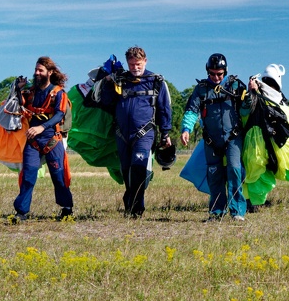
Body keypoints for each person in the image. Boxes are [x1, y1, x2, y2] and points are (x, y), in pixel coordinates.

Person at [99, 46, 173, 217]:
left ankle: (136, 209)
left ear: (145, 61)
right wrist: (108, 82)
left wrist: (166, 133)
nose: (135, 68)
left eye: (138, 64)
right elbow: (106, 102)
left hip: (144, 133)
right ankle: (130, 200)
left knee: (139, 169)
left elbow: (164, 109)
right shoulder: (120, 80)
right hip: (122, 134)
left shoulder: (156, 81)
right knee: (126, 171)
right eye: (131, 64)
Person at [182, 53, 249, 221]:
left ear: (225, 71)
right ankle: (217, 211)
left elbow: (246, 110)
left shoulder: (235, 86)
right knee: (214, 174)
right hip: (211, 140)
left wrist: (250, 94)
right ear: (207, 71)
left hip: (233, 137)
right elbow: (191, 110)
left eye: (220, 73)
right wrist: (186, 129)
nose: (216, 77)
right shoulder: (202, 89)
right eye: (212, 73)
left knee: (234, 170)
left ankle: (237, 212)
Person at [12, 56, 74, 222]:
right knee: (28, 175)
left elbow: (60, 114)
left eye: (40, 70)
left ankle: (67, 209)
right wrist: (18, 89)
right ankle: (21, 213)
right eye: (36, 70)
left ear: (50, 72)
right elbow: (21, 105)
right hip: (33, 141)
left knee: (59, 176)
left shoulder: (58, 93)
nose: (37, 73)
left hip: (52, 139)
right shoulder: (32, 92)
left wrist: (41, 127)